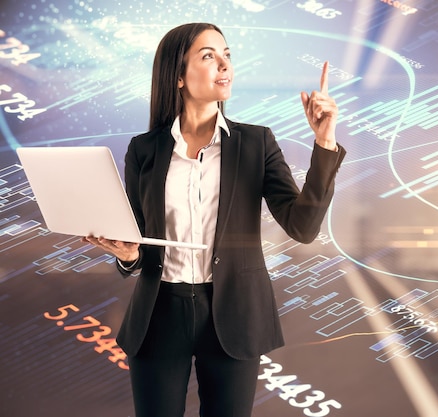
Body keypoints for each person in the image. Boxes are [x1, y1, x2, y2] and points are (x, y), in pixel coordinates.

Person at [84, 22, 345, 417]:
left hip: (235, 314)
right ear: (177, 76)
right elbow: (136, 241)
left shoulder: (256, 143)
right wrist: (126, 254)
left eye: (227, 55)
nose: (225, 65)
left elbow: (303, 227)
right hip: (158, 313)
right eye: (209, 56)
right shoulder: (144, 150)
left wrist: (324, 143)